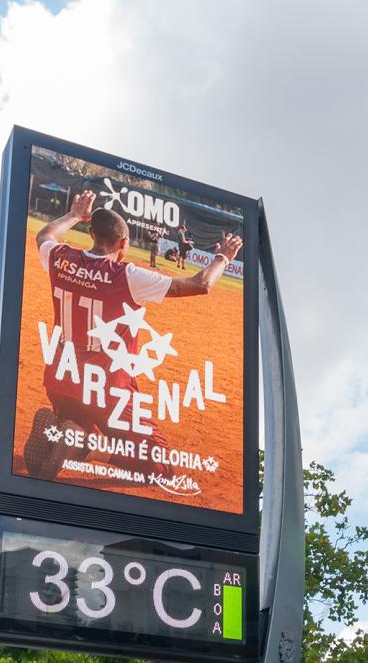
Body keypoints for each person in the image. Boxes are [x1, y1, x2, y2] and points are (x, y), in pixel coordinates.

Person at [22, 189, 243, 481]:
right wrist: (223, 257)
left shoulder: (60, 257)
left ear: (90, 232)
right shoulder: (126, 275)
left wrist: (74, 213)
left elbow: (44, 236)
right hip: (106, 390)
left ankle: (73, 429)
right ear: (124, 243)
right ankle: (86, 446)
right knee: (161, 467)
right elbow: (201, 284)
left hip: (60, 380)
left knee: (87, 422)